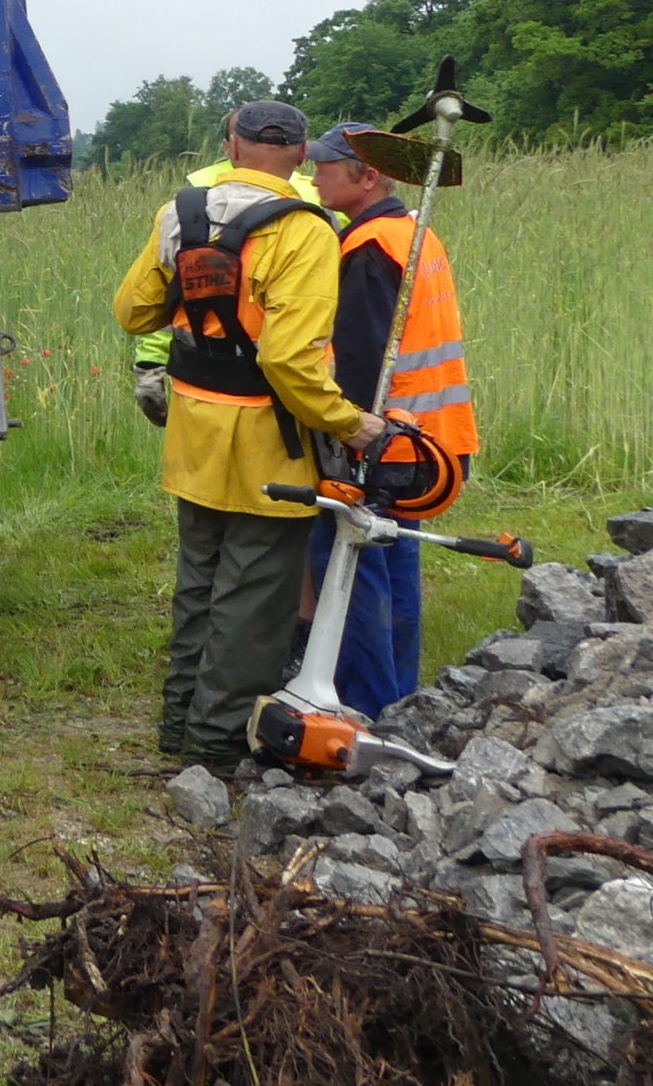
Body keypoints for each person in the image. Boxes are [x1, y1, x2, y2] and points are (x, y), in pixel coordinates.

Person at [113, 100, 385, 770]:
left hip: (194, 436)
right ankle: (212, 751)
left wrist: (195, 292)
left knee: (199, 586)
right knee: (254, 603)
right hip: (272, 446)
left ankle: (178, 729)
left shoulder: (180, 214)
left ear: (231, 144)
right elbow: (290, 362)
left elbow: (132, 311)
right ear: (299, 157)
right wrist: (354, 423)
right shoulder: (305, 230)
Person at [293, 121, 481, 717]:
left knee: (351, 574)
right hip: (427, 441)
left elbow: (363, 362)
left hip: (386, 444)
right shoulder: (414, 233)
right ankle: (401, 706)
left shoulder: (368, 248)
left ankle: (363, 712)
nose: (314, 175)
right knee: (396, 571)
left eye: (325, 166)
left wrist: (345, 432)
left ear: (366, 177)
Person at [130, 113, 327, 427]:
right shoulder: (319, 201)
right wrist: (344, 421)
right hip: (277, 411)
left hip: (194, 402)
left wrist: (150, 363)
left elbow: (139, 310)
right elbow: (291, 352)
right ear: (303, 153)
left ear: (231, 146)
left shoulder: (185, 202)